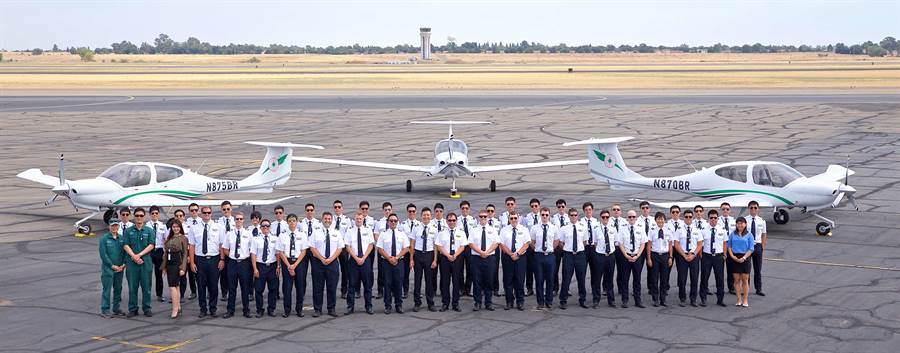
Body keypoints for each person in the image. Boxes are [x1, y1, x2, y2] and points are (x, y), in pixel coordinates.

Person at [188, 206, 223, 318]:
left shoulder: (218, 227)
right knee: (201, 286)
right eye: (204, 212)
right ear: (201, 213)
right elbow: (192, 246)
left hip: (214, 259)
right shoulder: (194, 228)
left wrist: (222, 259)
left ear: (211, 213)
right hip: (200, 260)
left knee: (213, 285)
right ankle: (202, 309)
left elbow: (221, 245)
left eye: (208, 212)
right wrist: (192, 262)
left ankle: (213, 308)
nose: (206, 214)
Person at [310, 212, 344, 317]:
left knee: (332, 287)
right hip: (318, 263)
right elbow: (312, 248)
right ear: (322, 219)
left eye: (329, 219)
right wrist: (322, 258)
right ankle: (317, 309)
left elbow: (340, 248)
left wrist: (331, 259)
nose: (327, 220)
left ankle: (331, 308)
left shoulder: (336, 233)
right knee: (317, 287)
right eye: (325, 218)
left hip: (332, 263)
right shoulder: (315, 232)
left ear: (331, 220)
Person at [277, 213, 310, 318]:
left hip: (299, 263)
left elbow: (304, 251)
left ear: (297, 222)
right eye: (290, 221)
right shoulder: (282, 235)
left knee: (300, 286)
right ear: (287, 223)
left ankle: (299, 309)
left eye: (294, 221)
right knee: (287, 287)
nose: (292, 223)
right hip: (287, 262)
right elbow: (280, 252)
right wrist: (288, 265)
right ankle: (287, 310)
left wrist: (294, 265)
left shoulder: (302, 235)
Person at [222, 211, 253, 318]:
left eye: (241, 219)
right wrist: (232, 255)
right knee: (232, 288)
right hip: (232, 263)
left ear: (243, 220)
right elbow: (225, 249)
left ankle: (246, 310)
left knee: (245, 288)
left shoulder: (248, 233)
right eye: (237, 219)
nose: (239, 221)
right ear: (234, 221)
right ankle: (230, 310)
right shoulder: (229, 234)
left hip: (244, 263)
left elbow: (252, 249)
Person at [377, 213, 410, 314]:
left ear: (397, 222)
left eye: (395, 221)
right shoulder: (383, 234)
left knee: (398, 283)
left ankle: (398, 305)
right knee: (387, 284)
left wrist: (396, 257)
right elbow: (380, 249)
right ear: (388, 222)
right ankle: (388, 306)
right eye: (391, 221)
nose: (393, 222)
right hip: (386, 262)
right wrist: (389, 258)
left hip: (399, 262)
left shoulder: (402, 234)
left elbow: (406, 248)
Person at [344, 212, 376, 315]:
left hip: (365, 260)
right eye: (357, 219)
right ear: (354, 220)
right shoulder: (349, 231)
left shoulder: (368, 230)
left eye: (360, 219)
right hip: (354, 260)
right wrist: (356, 258)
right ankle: (350, 307)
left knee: (367, 285)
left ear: (363, 220)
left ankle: (369, 306)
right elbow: (347, 246)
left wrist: (364, 257)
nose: (358, 220)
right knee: (352, 285)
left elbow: (371, 245)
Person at [435, 212, 467, 312]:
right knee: (445, 282)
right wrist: (448, 255)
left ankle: (455, 303)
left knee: (456, 282)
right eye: (449, 220)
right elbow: (439, 246)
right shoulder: (441, 233)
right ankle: (445, 303)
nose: (451, 222)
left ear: (456, 221)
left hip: (457, 259)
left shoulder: (461, 232)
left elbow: (463, 246)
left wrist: (455, 255)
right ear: (446, 221)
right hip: (445, 259)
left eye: (453, 220)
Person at [471, 208, 501, 311]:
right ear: (478, 218)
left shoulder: (493, 230)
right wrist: (481, 252)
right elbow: (471, 243)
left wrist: (486, 253)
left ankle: (488, 303)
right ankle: (477, 302)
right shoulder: (473, 230)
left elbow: (496, 243)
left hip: (489, 257)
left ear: (488, 218)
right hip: (476, 258)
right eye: (481, 216)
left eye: (485, 216)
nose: (483, 218)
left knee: (489, 280)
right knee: (477, 280)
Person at [558, 208, 588, 309]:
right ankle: (563, 300)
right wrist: (568, 249)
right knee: (566, 278)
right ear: (569, 216)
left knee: (581, 278)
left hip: (580, 255)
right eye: (571, 215)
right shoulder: (564, 228)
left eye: (575, 215)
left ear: (577, 216)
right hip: (568, 255)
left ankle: (582, 299)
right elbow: (561, 243)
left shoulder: (583, 227)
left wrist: (577, 249)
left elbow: (584, 242)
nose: (574, 217)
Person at [530, 207, 559, 310]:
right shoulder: (534, 228)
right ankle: (540, 302)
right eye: (543, 215)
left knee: (550, 279)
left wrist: (549, 249)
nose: (545, 216)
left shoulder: (554, 228)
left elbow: (556, 241)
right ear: (540, 215)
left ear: (549, 216)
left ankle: (549, 301)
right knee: (539, 279)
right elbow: (532, 242)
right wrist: (539, 250)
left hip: (550, 256)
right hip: (538, 256)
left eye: (546, 215)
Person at [617, 210, 647, 308]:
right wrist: (626, 255)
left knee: (637, 279)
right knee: (625, 279)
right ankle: (624, 300)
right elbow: (620, 243)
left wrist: (638, 255)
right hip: (626, 256)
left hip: (637, 256)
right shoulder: (622, 229)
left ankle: (638, 300)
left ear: (636, 218)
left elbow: (643, 243)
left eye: (633, 217)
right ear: (627, 218)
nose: (631, 219)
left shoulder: (640, 228)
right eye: (630, 217)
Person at [410, 207, 438, 312]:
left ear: (431, 216)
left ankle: (430, 302)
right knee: (417, 280)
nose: (426, 217)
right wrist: (411, 259)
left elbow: (436, 245)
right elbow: (412, 244)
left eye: (428, 215)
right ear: (421, 216)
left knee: (429, 280)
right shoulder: (416, 227)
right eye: (424, 215)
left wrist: (435, 260)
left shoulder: (434, 228)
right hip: (418, 255)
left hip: (429, 255)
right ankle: (417, 302)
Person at [160, 219, 188, 319]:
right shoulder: (169, 238)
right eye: (174, 227)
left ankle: (175, 309)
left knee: (172, 287)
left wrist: (183, 268)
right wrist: (164, 267)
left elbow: (185, 254)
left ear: (180, 227)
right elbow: (166, 254)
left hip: (178, 263)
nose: (176, 228)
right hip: (169, 264)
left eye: (177, 227)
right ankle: (178, 307)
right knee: (176, 287)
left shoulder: (183, 238)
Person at [251, 219, 279, 317]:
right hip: (260, 266)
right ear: (260, 227)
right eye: (263, 226)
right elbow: (253, 254)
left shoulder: (275, 239)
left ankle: (271, 309)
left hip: (272, 266)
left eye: (267, 226)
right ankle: (260, 309)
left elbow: (277, 253)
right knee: (258, 289)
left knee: (273, 289)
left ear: (270, 227)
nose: (265, 228)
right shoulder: (256, 239)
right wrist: (255, 269)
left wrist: (278, 266)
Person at [675, 210, 703, 307]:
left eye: (690, 217)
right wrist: (684, 255)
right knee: (682, 279)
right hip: (682, 256)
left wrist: (693, 254)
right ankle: (682, 298)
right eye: (686, 217)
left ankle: (693, 299)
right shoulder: (679, 230)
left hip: (694, 256)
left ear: (693, 218)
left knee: (694, 278)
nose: (688, 218)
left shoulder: (697, 230)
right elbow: (676, 244)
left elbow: (700, 244)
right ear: (683, 218)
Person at [590, 209, 617, 308]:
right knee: (597, 278)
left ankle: (611, 300)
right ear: (600, 218)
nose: (605, 219)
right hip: (600, 256)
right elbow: (595, 242)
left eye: (607, 217)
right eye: (603, 217)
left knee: (609, 279)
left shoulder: (613, 229)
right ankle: (596, 300)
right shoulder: (596, 229)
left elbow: (615, 242)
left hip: (610, 256)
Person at [99, 218, 125, 318]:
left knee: (118, 289)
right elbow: (103, 254)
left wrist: (123, 264)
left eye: (116, 225)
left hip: (120, 268)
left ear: (118, 226)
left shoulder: (122, 238)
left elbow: (124, 252)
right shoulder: (104, 239)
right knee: (107, 289)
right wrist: (111, 265)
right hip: (108, 269)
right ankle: (105, 309)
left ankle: (116, 308)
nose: (114, 227)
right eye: (112, 225)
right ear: (108, 226)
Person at [700, 209, 728, 307]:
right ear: (708, 219)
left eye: (715, 218)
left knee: (720, 279)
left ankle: (720, 299)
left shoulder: (722, 230)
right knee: (704, 278)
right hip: (706, 256)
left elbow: (725, 243)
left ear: (717, 219)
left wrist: (724, 255)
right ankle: (703, 298)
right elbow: (700, 244)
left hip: (718, 257)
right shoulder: (703, 230)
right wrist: (701, 255)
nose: (713, 220)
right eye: (711, 218)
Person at [646, 212, 673, 307]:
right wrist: (649, 258)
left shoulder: (668, 231)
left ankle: (663, 299)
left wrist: (670, 257)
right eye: (658, 219)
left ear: (664, 220)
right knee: (654, 277)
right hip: (655, 255)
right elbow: (649, 245)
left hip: (665, 256)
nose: (660, 221)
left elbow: (670, 245)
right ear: (656, 220)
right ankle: (655, 299)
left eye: (662, 219)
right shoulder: (652, 231)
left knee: (664, 278)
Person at [728, 217, 754, 307]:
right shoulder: (732, 234)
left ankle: (745, 300)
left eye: (742, 223)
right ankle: (738, 299)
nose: (740, 225)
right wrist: (732, 256)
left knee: (745, 280)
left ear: (745, 224)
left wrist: (744, 257)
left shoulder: (749, 235)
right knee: (736, 280)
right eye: (738, 223)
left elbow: (751, 249)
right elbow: (729, 247)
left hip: (745, 257)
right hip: (735, 257)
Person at [746, 200, 767, 296]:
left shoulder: (761, 221)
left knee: (757, 269)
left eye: (755, 208)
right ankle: (746, 288)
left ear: (758, 209)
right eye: (751, 208)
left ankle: (758, 289)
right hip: (747, 246)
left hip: (758, 246)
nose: (753, 209)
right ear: (748, 209)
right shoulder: (745, 220)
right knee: (747, 269)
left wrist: (762, 246)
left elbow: (763, 234)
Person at [147, 206, 168, 303]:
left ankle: (159, 294)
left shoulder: (162, 226)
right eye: (152, 213)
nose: (154, 215)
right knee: (147, 274)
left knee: (159, 274)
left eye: (156, 213)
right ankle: (146, 293)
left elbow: (166, 240)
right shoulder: (146, 226)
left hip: (159, 251)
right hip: (149, 251)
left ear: (158, 214)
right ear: (150, 214)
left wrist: (165, 252)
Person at [400, 204, 420, 299]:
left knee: (418, 273)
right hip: (406, 251)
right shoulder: (402, 225)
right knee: (405, 273)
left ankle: (418, 291)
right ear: (407, 212)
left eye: (413, 211)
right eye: (410, 211)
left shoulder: (420, 224)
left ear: (416, 212)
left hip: (416, 251)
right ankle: (405, 290)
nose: (411, 213)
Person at [332, 200, 352, 299]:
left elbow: (349, 234)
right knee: (333, 270)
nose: (337, 209)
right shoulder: (330, 219)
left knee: (345, 269)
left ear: (342, 208)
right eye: (335, 207)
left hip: (343, 248)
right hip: (332, 248)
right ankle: (332, 289)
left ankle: (344, 290)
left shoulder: (347, 220)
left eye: (339, 207)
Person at [456, 201, 476, 298]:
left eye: (466, 208)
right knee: (459, 269)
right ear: (460, 209)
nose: (465, 210)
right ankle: (461, 289)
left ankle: (468, 289)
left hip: (470, 247)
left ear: (469, 209)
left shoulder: (473, 220)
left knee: (470, 268)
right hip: (460, 247)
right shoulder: (457, 220)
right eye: (463, 208)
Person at [374, 202, 393, 299]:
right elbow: (376, 235)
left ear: (391, 210)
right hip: (382, 250)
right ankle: (380, 291)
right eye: (386, 210)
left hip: (392, 250)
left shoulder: (395, 221)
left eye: (389, 209)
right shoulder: (379, 222)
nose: (387, 211)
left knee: (392, 270)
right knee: (381, 271)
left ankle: (392, 290)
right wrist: (382, 244)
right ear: (383, 211)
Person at [523, 198, 542, 297]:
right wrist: (531, 245)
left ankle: (540, 288)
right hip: (530, 246)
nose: (534, 207)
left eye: (536, 206)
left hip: (540, 246)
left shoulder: (544, 216)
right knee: (529, 269)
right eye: (532, 206)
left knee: (540, 269)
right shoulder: (527, 218)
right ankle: (529, 289)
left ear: (539, 206)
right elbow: (526, 233)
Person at [217, 201, 236, 303]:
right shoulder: (218, 222)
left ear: (231, 209)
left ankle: (231, 291)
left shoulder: (235, 220)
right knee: (223, 273)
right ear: (221, 210)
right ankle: (224, 292)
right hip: (222, 250)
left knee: (232, 273)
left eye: (228, 209)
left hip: (233, 250)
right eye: (224, 209)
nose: (226, 211)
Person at [182, 203, 201, 300]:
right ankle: (193, 292)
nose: (194, 212)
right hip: (188, 251)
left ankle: (202, 291)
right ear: (189, 211)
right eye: (192, 210)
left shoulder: (202, 222)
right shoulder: (185, 224)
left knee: (199, 274)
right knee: (188, 274)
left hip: (199, 252)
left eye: (196, 210)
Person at [551, 199, 569, 296]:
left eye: (562, 206)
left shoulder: (569, 217)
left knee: (567, 269)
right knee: (555, 268)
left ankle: (567, 288)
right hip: (557, 246)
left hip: (567, 246)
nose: (561, 208)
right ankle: (555, 288)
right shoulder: (553, 218)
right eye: (559, 207)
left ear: (565, 207)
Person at [719, 202, 737, 294]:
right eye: (723, 209)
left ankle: (731, 287)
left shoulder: (734, 221)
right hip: (720, 248)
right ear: (720, 210)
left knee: (731, 269)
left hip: (731, 248)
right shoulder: (717, 221)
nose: (725, 210)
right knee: (719, 270)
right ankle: (720, 288)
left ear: (730, 210)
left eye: (727, 209)